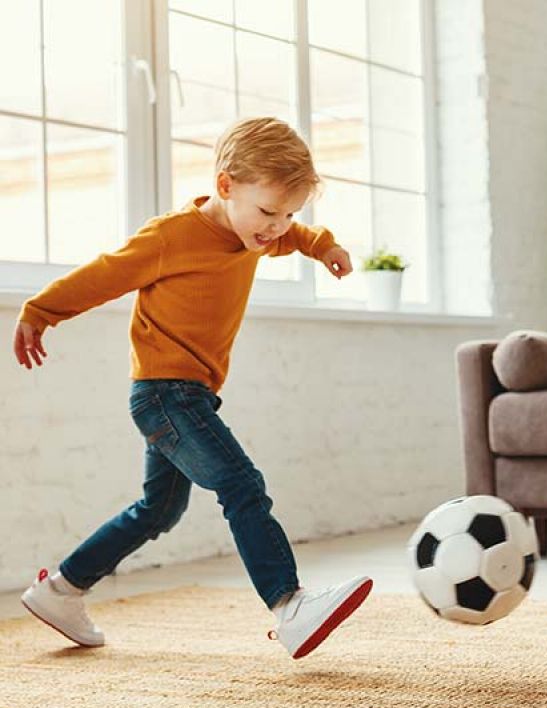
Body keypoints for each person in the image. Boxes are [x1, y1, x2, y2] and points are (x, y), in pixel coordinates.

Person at [12, 117, 372, 660]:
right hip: (165, 393)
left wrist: (322, 245)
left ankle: (61, 590)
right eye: (269, 212)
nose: (277, 228)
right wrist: (41, 311)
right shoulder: (172, 237)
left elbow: (292, 237)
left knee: (158, 511)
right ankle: (288, 603)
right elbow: (104, 274)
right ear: (226, 185)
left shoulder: (253, 232)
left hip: (191, 395)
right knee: (241, 484)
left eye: (290, 214)